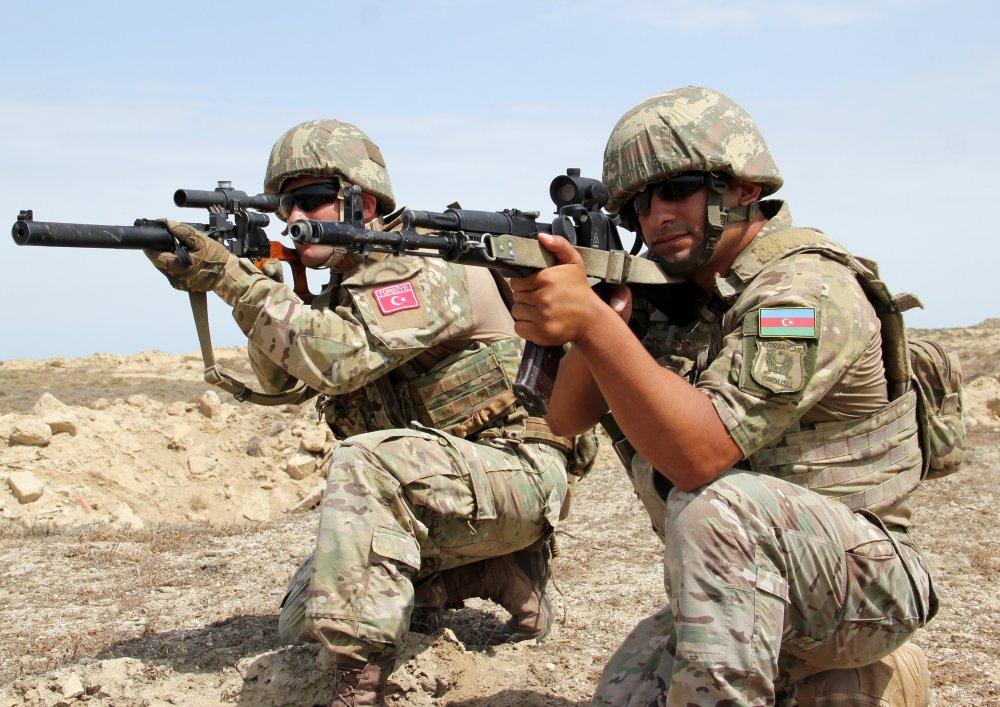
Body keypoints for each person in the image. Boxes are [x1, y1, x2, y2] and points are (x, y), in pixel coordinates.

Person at [507, 87, 937, 706]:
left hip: (866, 585)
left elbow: (697, 457)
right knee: (625, 694)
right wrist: (592, 322)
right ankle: (832, 682)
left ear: (743, 189)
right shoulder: (673, 294)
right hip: (750, 584)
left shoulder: (804, 290)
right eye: (639, 205)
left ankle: (878, 671)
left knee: (718, 505)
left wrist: (594, 325)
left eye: (678, 187)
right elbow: (566, 417)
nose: (657, 215)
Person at [146, 119, 594, 706]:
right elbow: (282, 375)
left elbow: (338, 361)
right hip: (438, 488)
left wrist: (234, 284)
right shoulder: (345, 283)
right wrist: (258, 281)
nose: (292, 218)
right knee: (308, 614)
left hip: (517, 475)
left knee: (365, 467)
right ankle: (491, 573)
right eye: (285, 205)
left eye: (309, 200)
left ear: (366, 199)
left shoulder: (424, 259)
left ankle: (357, 688)